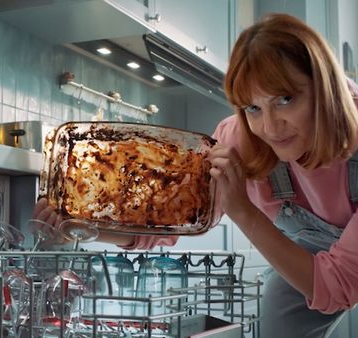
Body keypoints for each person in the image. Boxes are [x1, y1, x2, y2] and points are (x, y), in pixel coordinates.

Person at [34, 13, 358, 337]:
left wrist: (243, 212)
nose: (270, 128)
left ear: (324, 88)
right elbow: (169, 226)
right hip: (311, 253)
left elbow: (340, 285)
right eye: (253, 108)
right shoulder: (237, 141)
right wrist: (84, 230)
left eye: (285, 99)